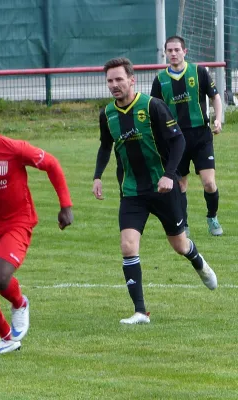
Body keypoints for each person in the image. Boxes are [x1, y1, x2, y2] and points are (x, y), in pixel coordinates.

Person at [92, 57, 218, 325]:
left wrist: (169, 175)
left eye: (119, 79)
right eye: (110, 80)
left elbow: (178, 140)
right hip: (131, 191)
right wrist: (97, 177)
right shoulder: (107, 114)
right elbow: (105, 146)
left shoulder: (152, 107)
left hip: (163, 189)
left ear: (131, 79)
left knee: (179, 245)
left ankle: (198, 261)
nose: (114, 85)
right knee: (128, 246)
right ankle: (140, 311)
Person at [0, 106, 74, 353]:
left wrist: (65, 206)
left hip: (18, 220)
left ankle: (20, 303)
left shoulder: (14, 149)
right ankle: (7, 338)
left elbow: (52, 164)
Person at [151, 35, 223, 236]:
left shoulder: (199, 72)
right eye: (169, 51)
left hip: (200, 135)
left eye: (177, 50)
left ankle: (212, 217)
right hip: (174, 140)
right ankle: (184, 225)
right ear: (165, 53)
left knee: (209, 182)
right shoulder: (160, 80)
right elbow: (154, 110)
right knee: (180, 185)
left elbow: (215, 97)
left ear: (185, 52)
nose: (173, 54)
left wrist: (218, 119)